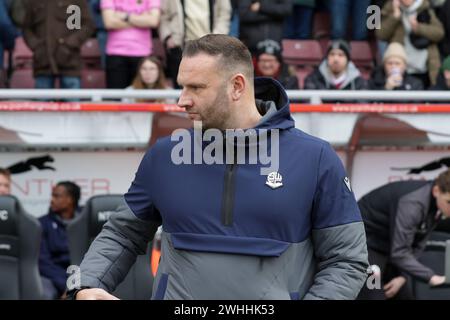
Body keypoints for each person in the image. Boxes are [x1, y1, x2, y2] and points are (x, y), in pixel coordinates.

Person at [69, 34, 368, 300]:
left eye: (196, 87)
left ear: (237, 86)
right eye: (181, 86)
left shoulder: (315, 158)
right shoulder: (165, 155)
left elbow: (347, 261)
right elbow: (123, 234)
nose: (182, 100)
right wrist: (86, 285)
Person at [357, 169, 450, 300]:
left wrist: (403, 277)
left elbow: (417, 245)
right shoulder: (413, 203)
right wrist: (432, 277)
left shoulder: (439, 206)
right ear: (436, 191)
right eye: (449, 202)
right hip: (364, 242)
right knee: (374, 294)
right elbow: (400, 253)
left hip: (388, 246)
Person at [22, 0, 95, 89]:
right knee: (41, 102)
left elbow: (86, 25)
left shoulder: (74, 1)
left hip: (70, 63)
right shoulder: (34, 2)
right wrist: (37, 46)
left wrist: (70, 44)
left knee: (72, 101)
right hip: (43, 63)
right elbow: (27, 28)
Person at [159, 0, 231, 86]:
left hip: (211, 47)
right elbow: (164, 16)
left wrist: (217, 36)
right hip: (181, 47)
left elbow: (224, 14)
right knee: (182, 87)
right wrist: (168, 37)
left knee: (208, 86)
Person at [376, 0, 445, 88]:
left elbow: (440, 33)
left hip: (424, 64)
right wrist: (395, 17)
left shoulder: (424, 7)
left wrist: (418, 28)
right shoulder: (391, 8)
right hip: (401, 66)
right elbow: (380, 35)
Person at [101, 0, 161, 89]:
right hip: (116, 53)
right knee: (116, 99)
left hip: (142, 53)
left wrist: (126, 16)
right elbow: (109, 22)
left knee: (141, 99)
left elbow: (153, 21)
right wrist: (141, 19)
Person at [39, 181, 81, 299]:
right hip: (51, 276)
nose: (52, 199)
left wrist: (73, 284)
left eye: (56, 196)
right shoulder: (41, 224)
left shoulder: (85, 223)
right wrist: (66, 284)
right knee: (44, 294)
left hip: (81, 276)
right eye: (52, 195)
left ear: (70, 199)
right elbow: (43, 262)